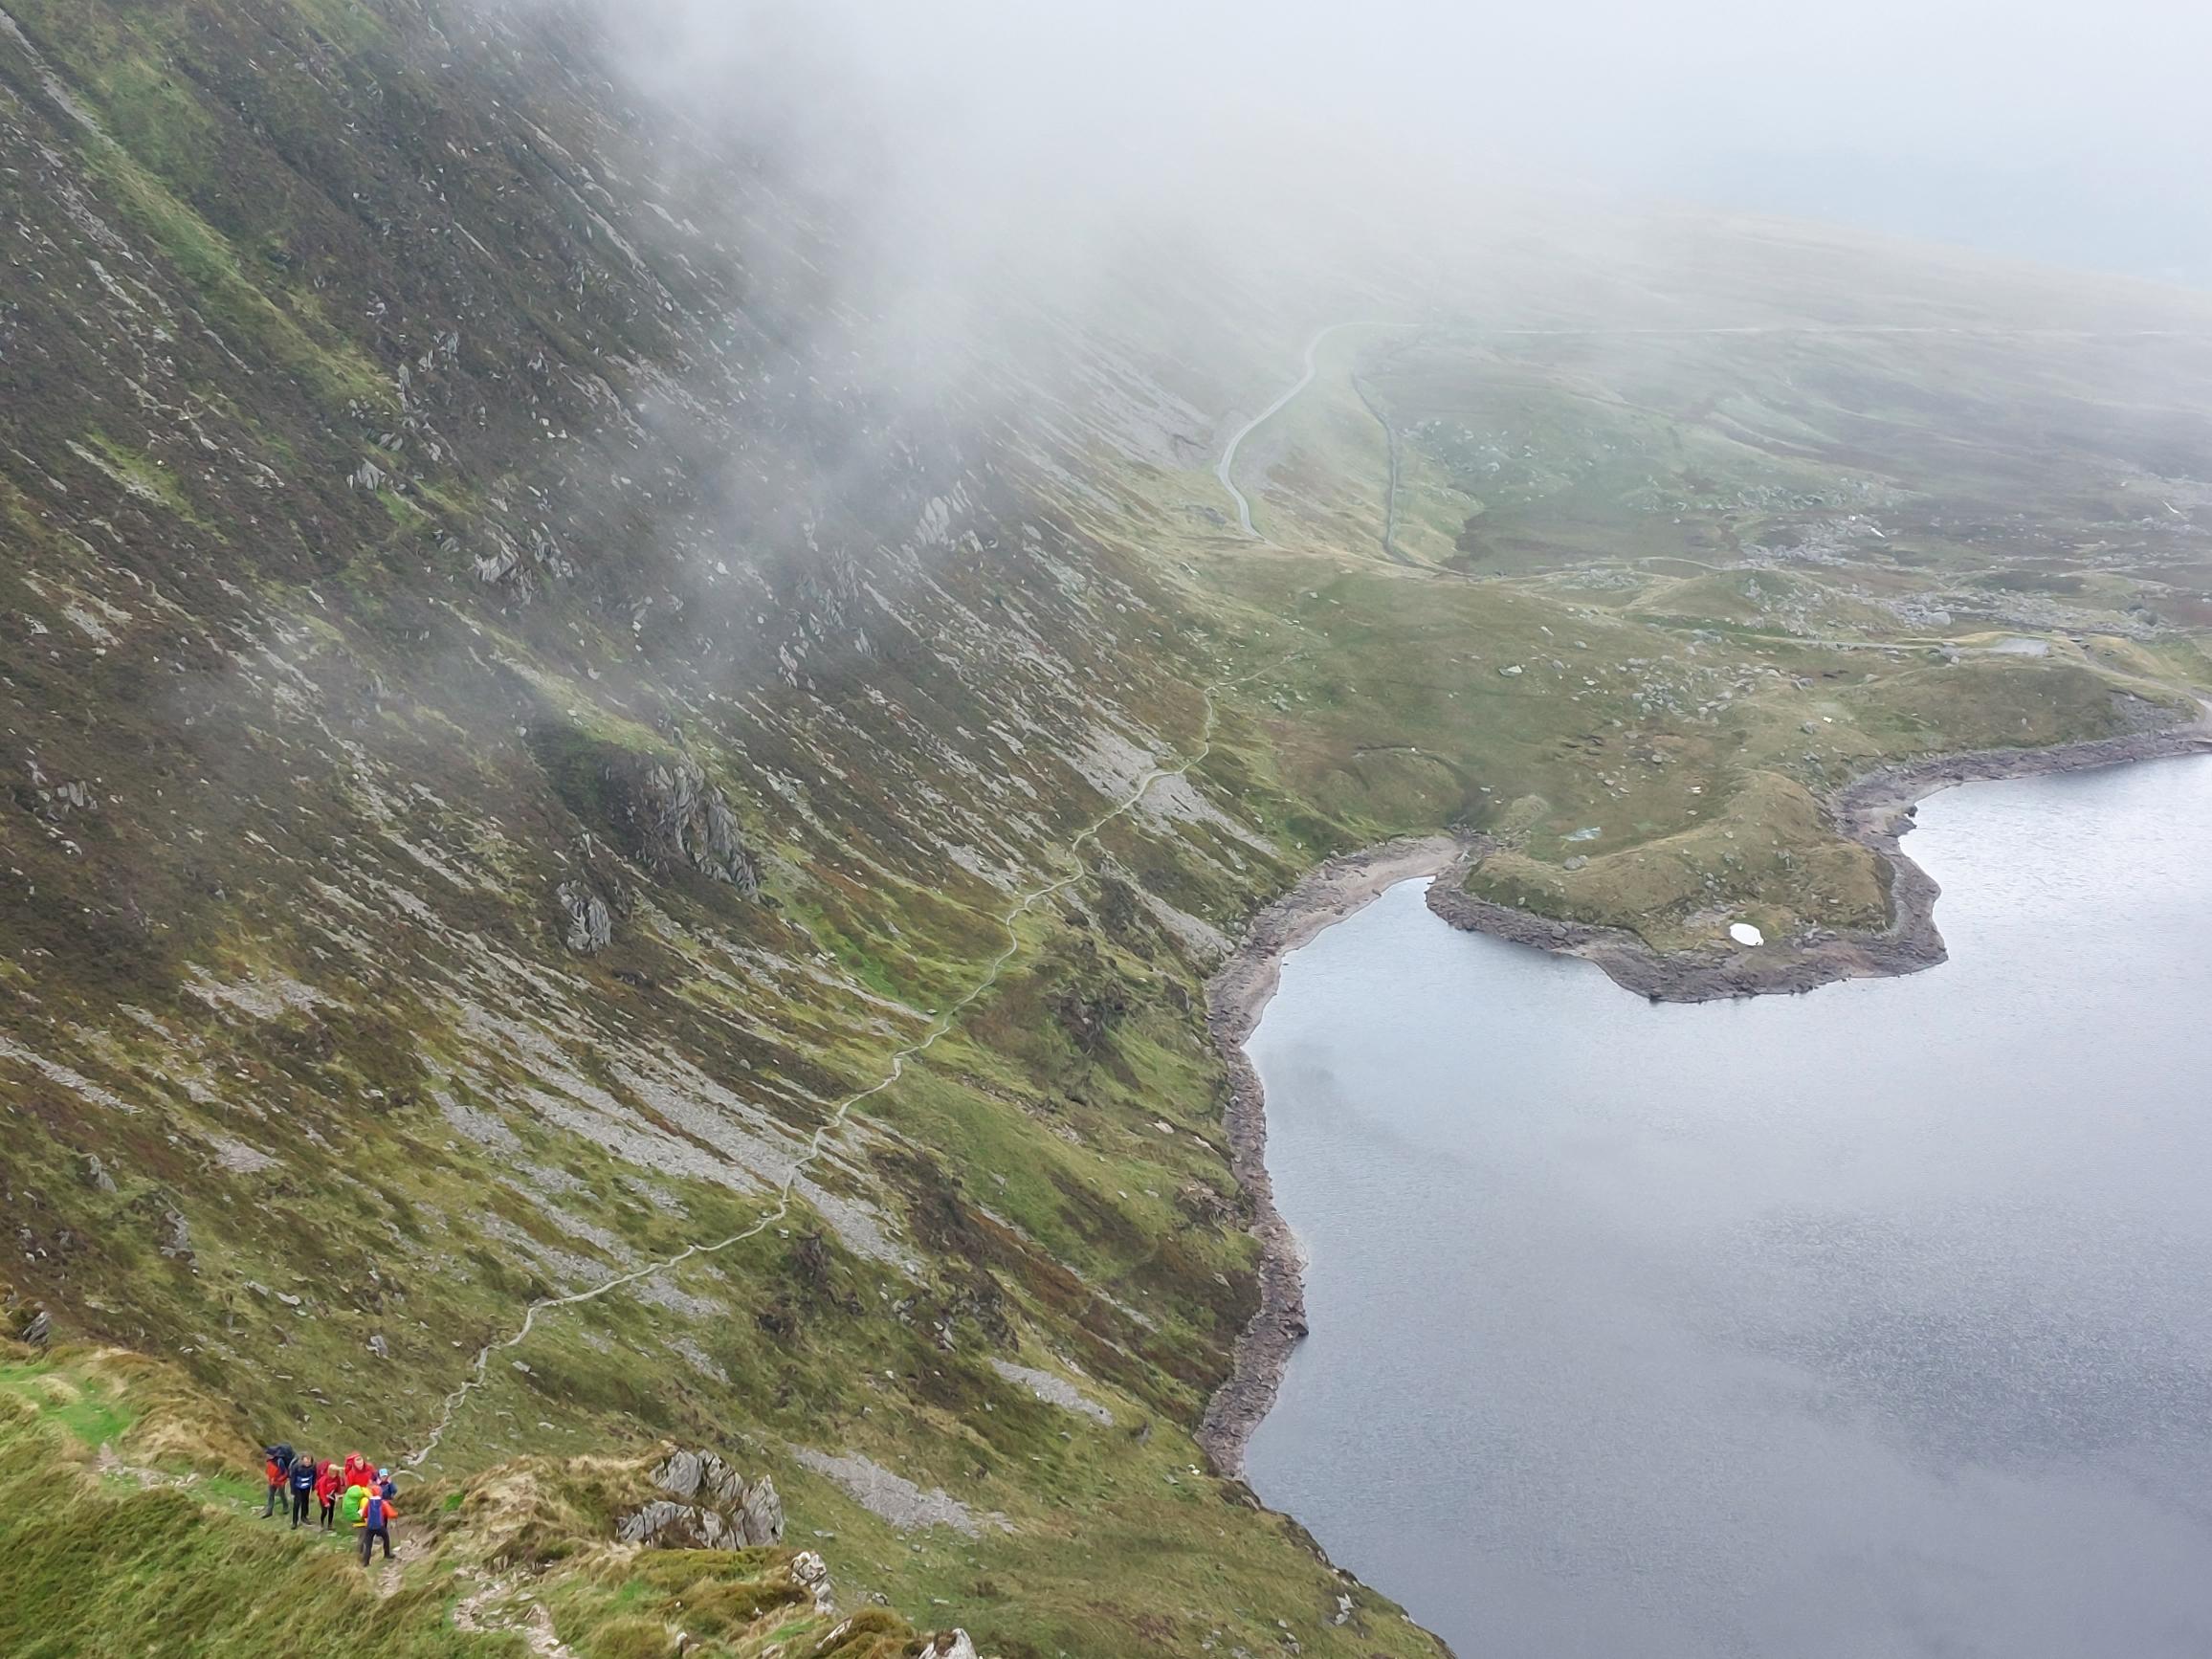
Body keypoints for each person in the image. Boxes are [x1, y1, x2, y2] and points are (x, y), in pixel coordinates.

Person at [357, 1484, 397, 1565]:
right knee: (386, 1538)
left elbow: (364, 1514)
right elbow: (391, 1514)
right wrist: (396, 1514)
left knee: (368, 1544)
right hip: (380, 1526)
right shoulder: (382, 1503)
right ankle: (387, 1554)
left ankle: (366, 1562)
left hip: (370, 1527)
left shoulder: (369, 1503)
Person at [261, 1444, 294, 1518]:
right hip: (272, 1481)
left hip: (280, 1482)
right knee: (270, 1495)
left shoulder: (280, 1461)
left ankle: (286, 1507)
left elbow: (285, 1473)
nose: (267, 1455)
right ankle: (269, 1511)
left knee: (282, 1495)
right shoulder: (269, 1461)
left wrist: (279, 1479)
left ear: (272, 1455)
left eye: (268, 1454)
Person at [287, 1450, 318, 1528]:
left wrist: (313, 1486)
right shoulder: (296, 1467)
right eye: (306, 1461)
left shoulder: (313, 1467)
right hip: (297, 1487)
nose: (307, 1463)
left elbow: (314, 1477)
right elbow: (292, 1479)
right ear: (302, 1460)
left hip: (306, 1487)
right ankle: (294, 1521)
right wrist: (292, 1490)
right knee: (297, 1503)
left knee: (305, 1502)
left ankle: (304, 1517)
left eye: (309, 1461)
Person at [315, 1457, 342, 1531]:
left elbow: (338, 1487)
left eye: (336, 1473)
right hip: (323, 1497)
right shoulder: (324, 1479)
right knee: (324, 1511)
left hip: (331, 1496)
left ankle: (330, 1525)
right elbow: (322, 1492)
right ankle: (321, 1523)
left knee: (331, 1510)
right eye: (333, 1472)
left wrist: (337, 1494)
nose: (335, 1474)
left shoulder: (337, 1478)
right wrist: (326, 1502)